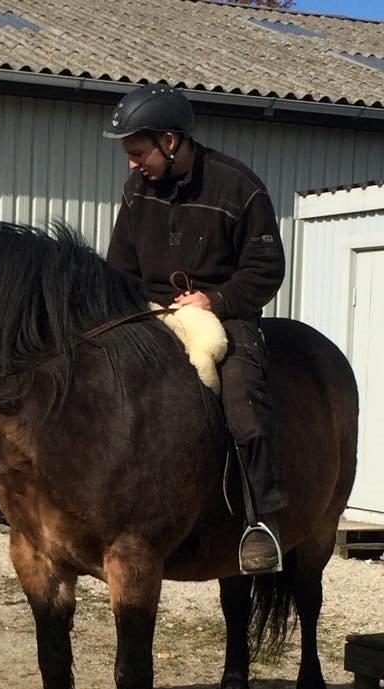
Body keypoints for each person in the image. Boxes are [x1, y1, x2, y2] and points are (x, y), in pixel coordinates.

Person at [103, 84, 287, 574]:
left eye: (137, 152)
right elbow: (119, 265)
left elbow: (267, 267)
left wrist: (217, 298)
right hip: (151, 312)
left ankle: (258, 520)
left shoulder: (239, 187)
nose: (131, 164)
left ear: (169, 140)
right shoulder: (136, 190)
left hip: (223, 313)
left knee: (243, 395)